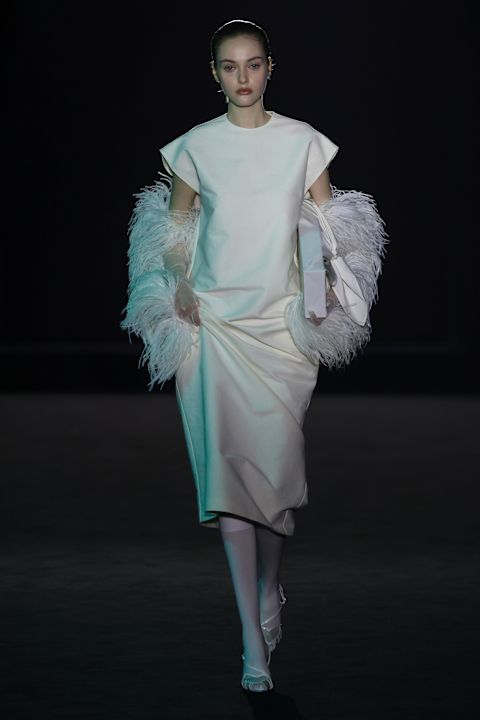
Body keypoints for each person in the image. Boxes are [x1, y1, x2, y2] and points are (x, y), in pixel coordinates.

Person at [120, 19, 388, 693]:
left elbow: (327, 231)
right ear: (214, 74)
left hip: (281, 333)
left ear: (271, 67)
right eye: (229, 66)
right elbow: (172, 233)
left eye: (253, 64)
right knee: (230, 488)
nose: (243, 77)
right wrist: (176, 284)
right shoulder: (195, 147)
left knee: (273, 482)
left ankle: (270, 587)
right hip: (212, 329)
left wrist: (321, 297)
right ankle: (250, 641)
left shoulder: (302, 143)